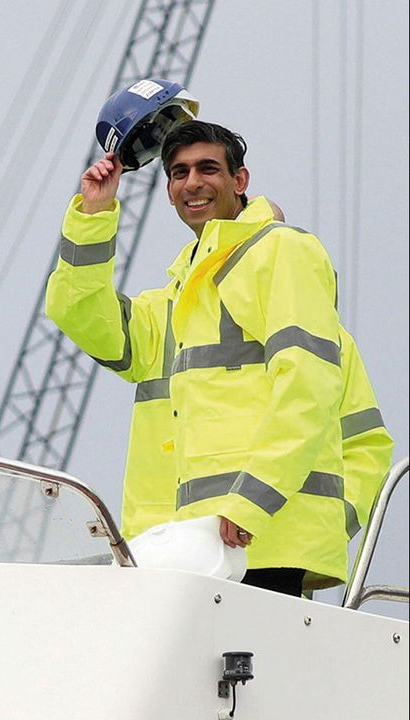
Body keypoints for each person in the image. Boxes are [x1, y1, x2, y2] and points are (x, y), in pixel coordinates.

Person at [46, 120, 392, 597]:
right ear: (167, 189)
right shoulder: (177, 299)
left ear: (240, 181)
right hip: (171, 550)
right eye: (178, 172)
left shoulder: (282, 251)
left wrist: (262, 506)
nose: (192, 183)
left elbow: (311, 394)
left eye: (208, 168)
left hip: (256, 541)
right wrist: (93, 212)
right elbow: (78, 311)